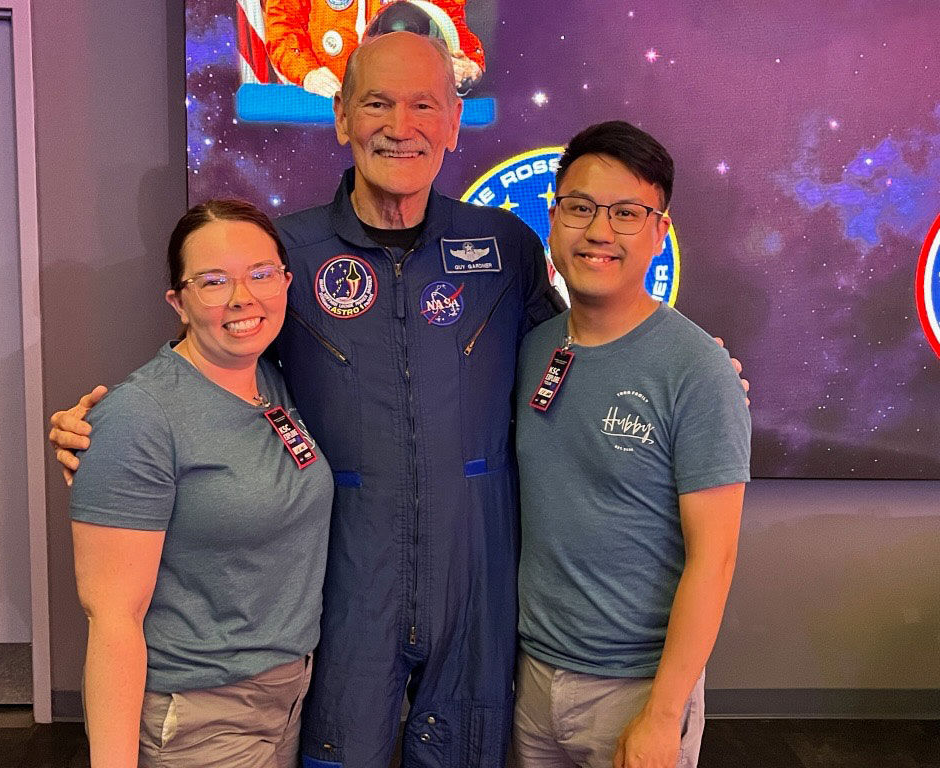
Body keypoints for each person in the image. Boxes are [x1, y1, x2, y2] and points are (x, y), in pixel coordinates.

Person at [51, 33, 746, 768]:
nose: (400, 125)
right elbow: (218, 358)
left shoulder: (503, 245)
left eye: (424, 106)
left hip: (475, 583)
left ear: (454, 122)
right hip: (345, 581)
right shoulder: (290, 251)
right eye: (377, 103)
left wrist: (701, 369)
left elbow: (580, 351)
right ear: (342, 117)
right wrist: (112, 428)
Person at [512, 122, 751, 768]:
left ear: (659, 232)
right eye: (580, 208)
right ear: (554, 217)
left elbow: (716, 557)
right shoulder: (532, 348)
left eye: (625, 213)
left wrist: (664, 714)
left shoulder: (695, 368)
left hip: (637, 689)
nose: (598, 231)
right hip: (533, 678)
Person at [69, 199, 333, 767]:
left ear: (286, 281)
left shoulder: (271, 378)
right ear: (179, 302)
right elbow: (112, 620)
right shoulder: (141, 416)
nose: (243, 298)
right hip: (198, 718)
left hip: (283, 699)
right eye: (213, 282)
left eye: (261, 274)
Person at [264, 0, 484, 97]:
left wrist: (469, 66)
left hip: (403, 99)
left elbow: (452, 24)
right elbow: (283, 29)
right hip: (331, 101)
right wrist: (308, 73)